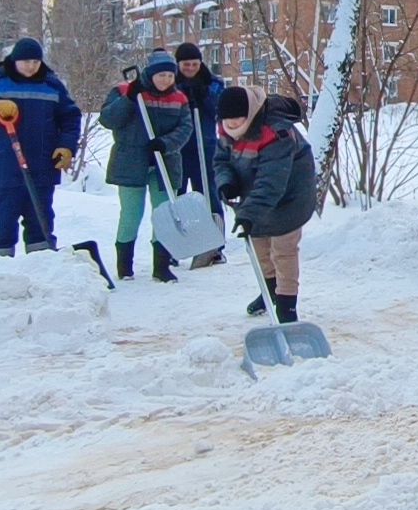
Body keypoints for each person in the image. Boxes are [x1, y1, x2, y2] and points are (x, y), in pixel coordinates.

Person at [0, 37, 81, 257]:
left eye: (35, 62)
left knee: (41, 219)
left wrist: (66, 147)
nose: (31, 66)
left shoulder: (51, 85)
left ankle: (42, 265)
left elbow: (70, 118)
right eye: (26, 61)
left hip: (43, 164)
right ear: (14, 60)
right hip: (3, 166)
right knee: (1, 220)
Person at [214, 85, 317, 323]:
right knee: (260, 247)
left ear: (250, 114)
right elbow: (221, 161)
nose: (231, 126)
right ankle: (270, 290)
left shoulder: (276, 133)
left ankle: (286, 307)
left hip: (290, 197)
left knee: (283, 251)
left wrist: (249, 213)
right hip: (257, 196)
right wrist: (226, 183)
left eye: (237, 120)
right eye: (227, 121)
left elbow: (272, 182)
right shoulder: (228, 131)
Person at [101, 49, 194, 282]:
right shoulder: (125, 92)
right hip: (130, 162)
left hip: (165, 162)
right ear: (150, 75)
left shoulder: (179, 99)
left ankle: (161, 266)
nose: (166, 80)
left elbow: (185, 128)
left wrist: (165, 143)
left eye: (170, 76)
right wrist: (129, 100)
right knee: (131, 214)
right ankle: (125, 267)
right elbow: (108, 119)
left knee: (164, 213)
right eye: (161, 75)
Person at [173, 42, 228, 269]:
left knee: (209, 194)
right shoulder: (170, 83)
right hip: (177, 148)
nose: (191, 68)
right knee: (176, 196)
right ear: (178, 64)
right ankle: (174, 246)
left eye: (195, 64)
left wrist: (203, 96)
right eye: (186, 64)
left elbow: (221, 108)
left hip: (205, 147)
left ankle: (215, 246)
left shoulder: (213, 83)